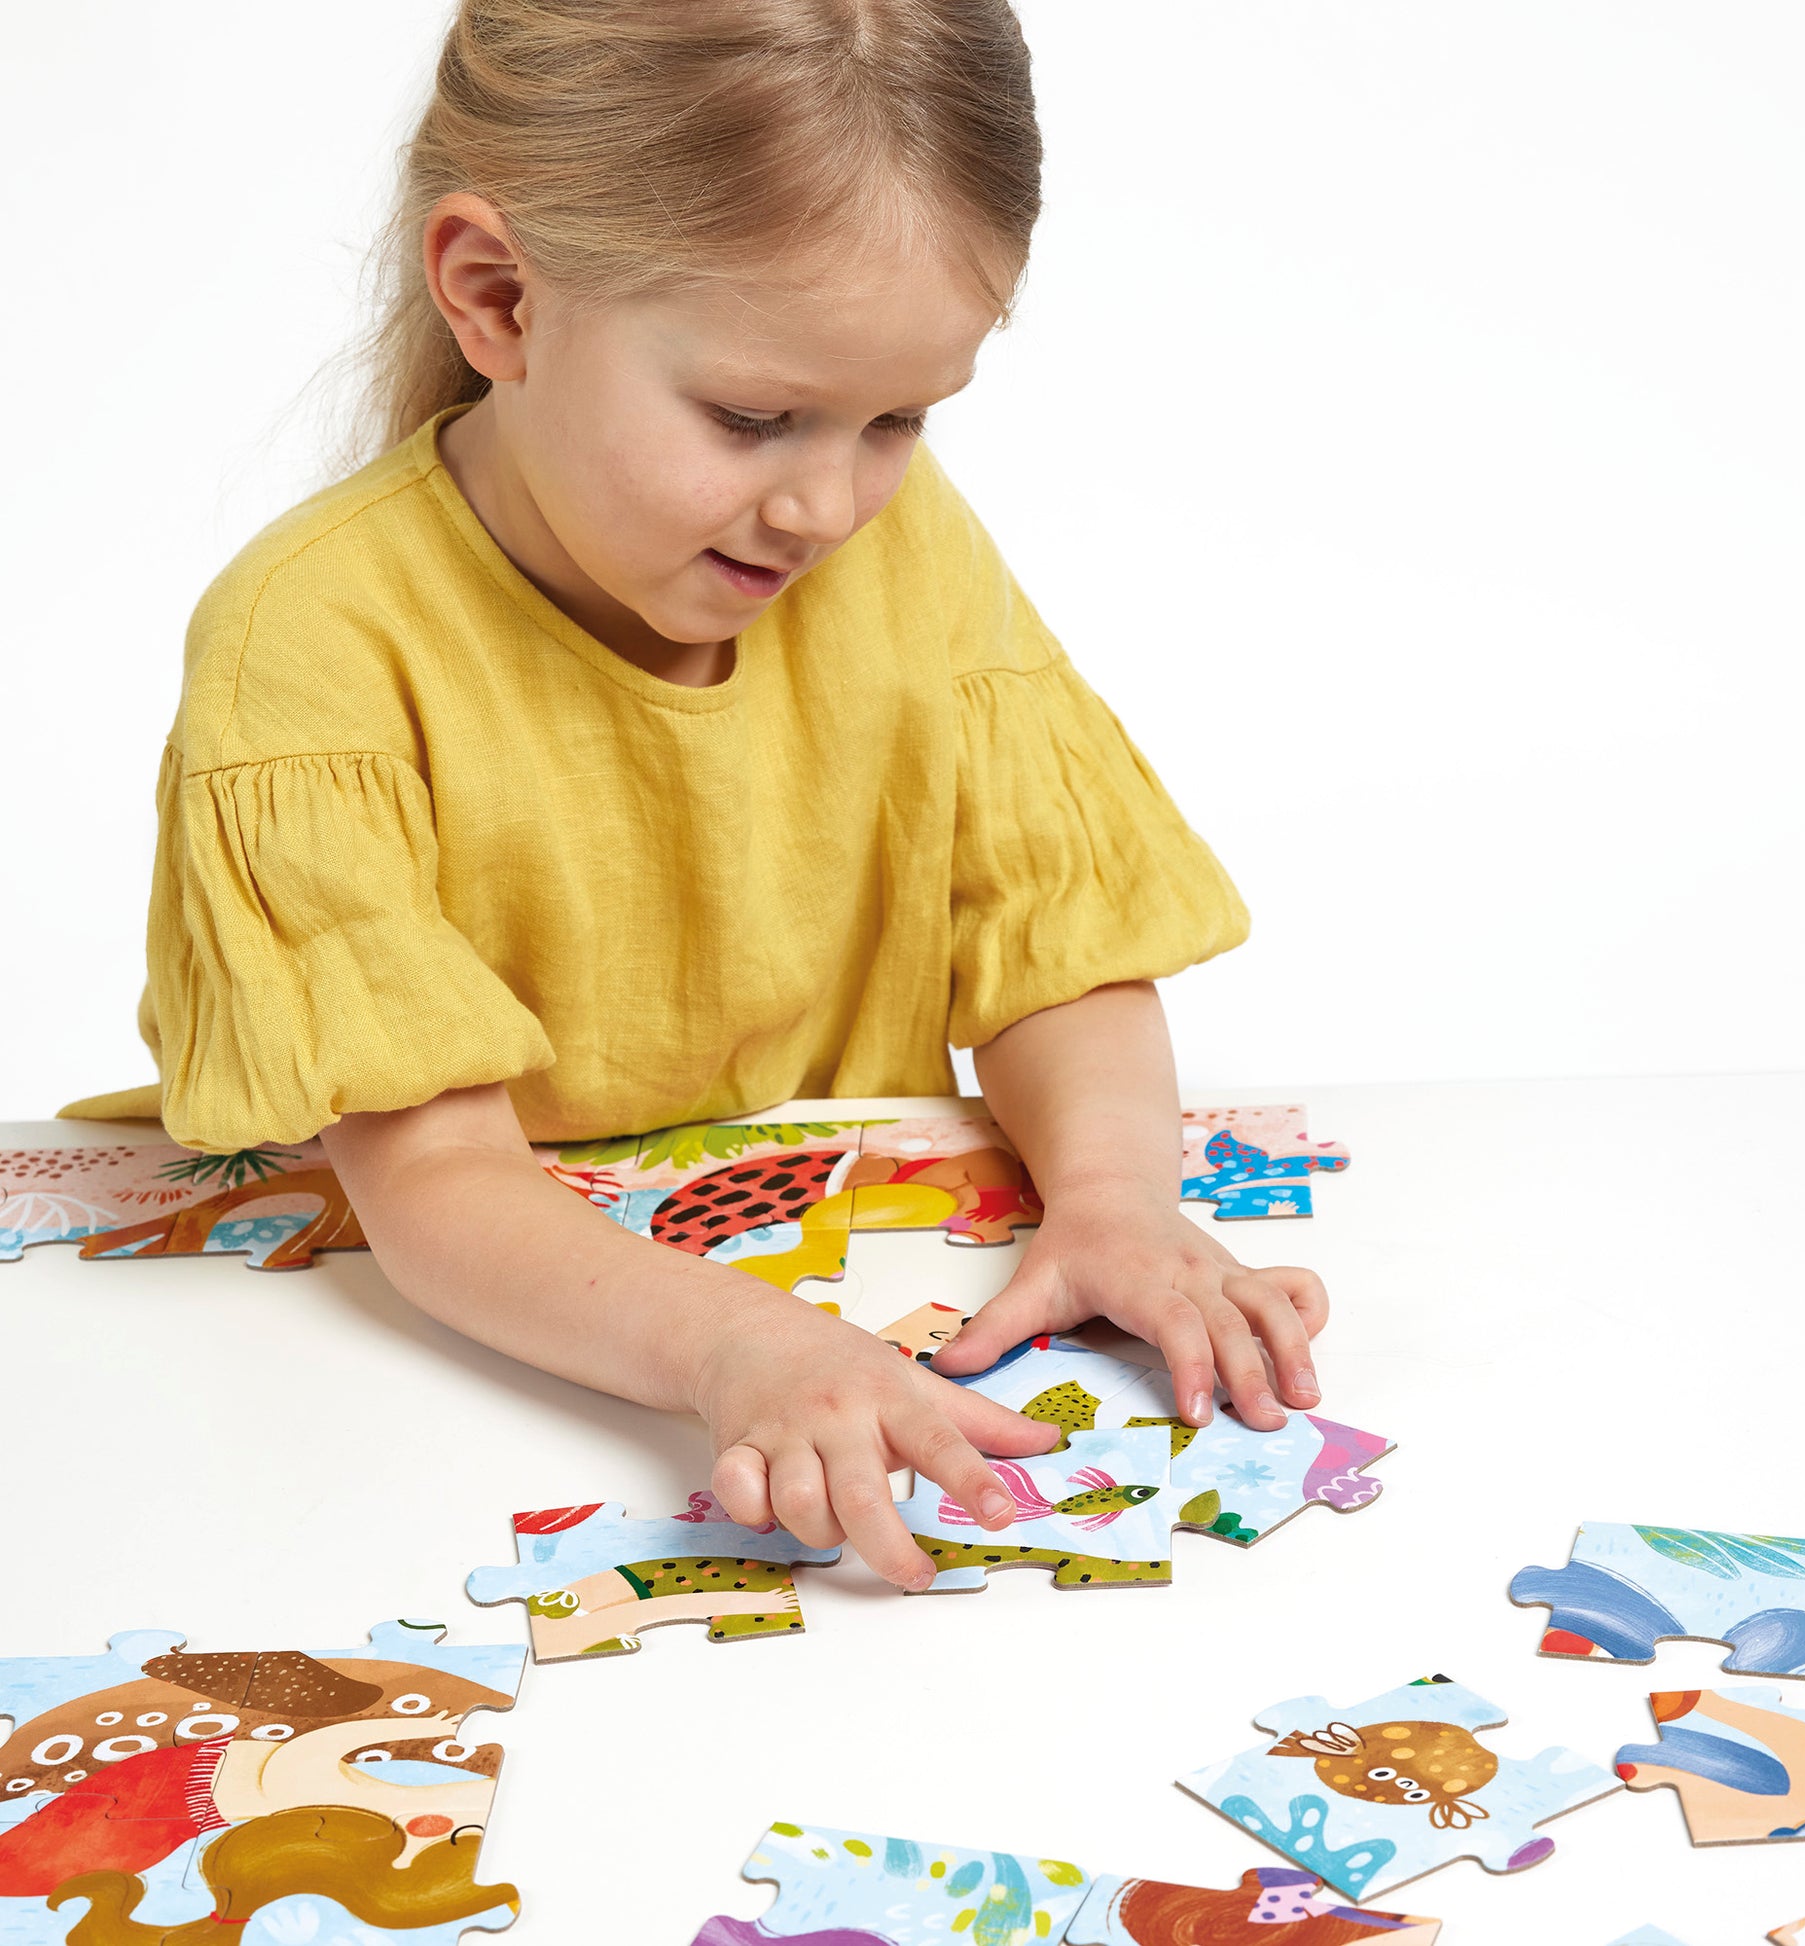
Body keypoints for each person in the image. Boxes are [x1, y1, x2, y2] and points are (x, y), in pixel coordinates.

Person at [61, 0, 1329, 1590]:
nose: (827, 504)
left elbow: (1051, 945)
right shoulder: (308, 640)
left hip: (855, 1301)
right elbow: (436, 1175)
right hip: (408, 1385)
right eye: (750, 418)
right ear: (498, 295)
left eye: (897, 419)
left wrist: (1115, 1197)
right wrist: (738, 1345)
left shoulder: (903, 543)